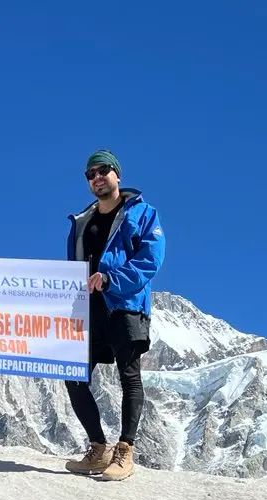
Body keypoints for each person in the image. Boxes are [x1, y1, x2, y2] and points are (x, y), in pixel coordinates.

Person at [63, 150, 165, 482]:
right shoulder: (82, 222)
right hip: (89, 311)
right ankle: (98, 448)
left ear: (117, 174)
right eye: (90, 174)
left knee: (129, 376)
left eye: (103, 170)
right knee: (73, 375)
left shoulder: (142, 213)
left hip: (126, 305)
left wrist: (111, 280)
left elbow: (150, 259)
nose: (97, 177)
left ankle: (125, 450)